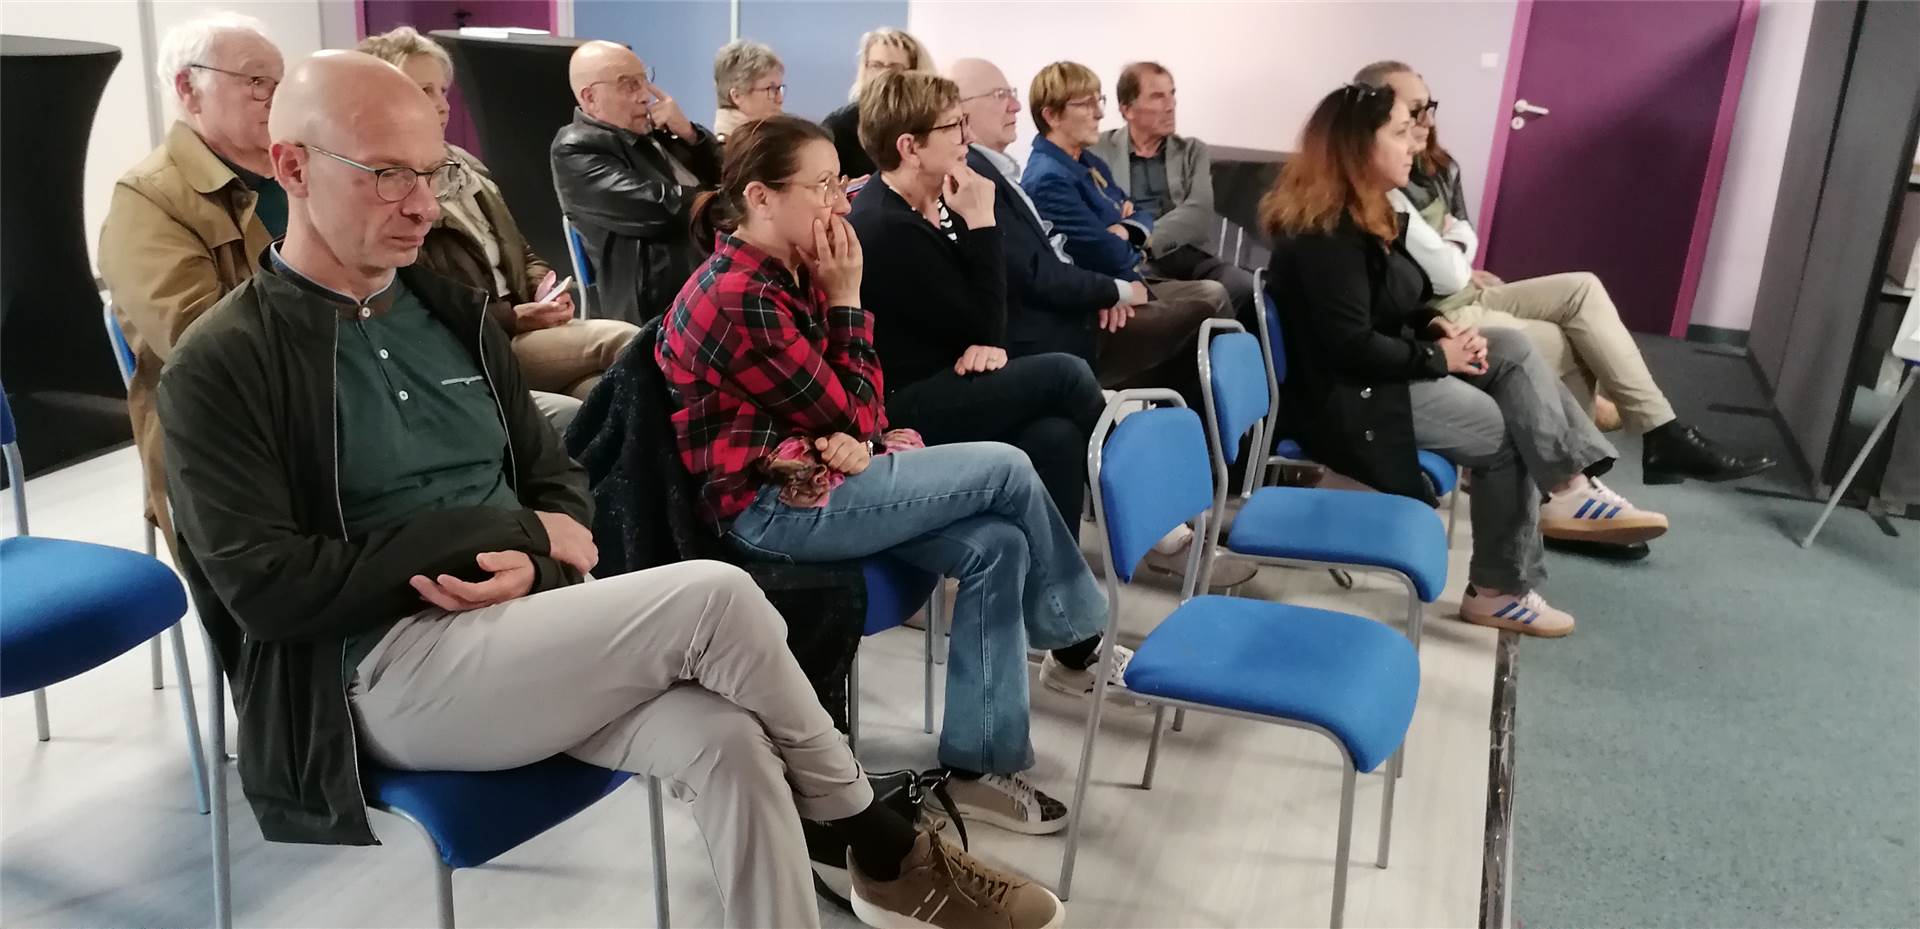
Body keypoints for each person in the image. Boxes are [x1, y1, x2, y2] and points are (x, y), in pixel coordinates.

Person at [158, 51, 1058, 929]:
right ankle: (878, 838)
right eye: (388, 175)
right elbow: (269, 592)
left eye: (431, 173)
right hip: (379, 672)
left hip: (528, 630)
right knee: (714, 596)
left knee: (731, 743)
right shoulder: (223, 363)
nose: (424, 205)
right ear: (292, 167)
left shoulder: (448, 314)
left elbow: (559, 483)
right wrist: (510, 534)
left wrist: (538, 555)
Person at [657, 114, 1122, 839]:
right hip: (772, 508)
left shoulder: (792, 266)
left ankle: (977, 763)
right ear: (760, 197)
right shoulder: (737, 296)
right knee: (1009, 466)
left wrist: (851, 426)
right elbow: (855, 408)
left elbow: (862, 414)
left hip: (824, 475)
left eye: (838, 184)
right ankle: (1073, 631)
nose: (838, 204)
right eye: (821, 187)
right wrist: (848, 302)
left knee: (999, 543)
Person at [1263, 83, 1674, 638]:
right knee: (1506, 437)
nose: (1415, 144)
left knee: (1512, 347)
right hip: (1351, 399)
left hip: (1377, 377)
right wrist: (1438, 355)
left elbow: (1388, 307)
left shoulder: (1368, 213)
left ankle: (1570, 487)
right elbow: (1350, 345)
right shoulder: (1327, 232)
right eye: (1400, 133)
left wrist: (1435, 325)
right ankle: (1498, 591)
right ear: (1359, 145)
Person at [1354, 60, 1775, 487]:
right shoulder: (1381, 186)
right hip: (1438, 313)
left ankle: (1658, 433)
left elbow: (1460, 239)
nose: (1425, 122)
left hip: (1464, 291)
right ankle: (1574, 482)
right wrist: (1456, 250)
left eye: (1429, 107)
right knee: (1569, 341)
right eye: (1413, 112)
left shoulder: (1438, 167)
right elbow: (1445, 268)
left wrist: (1457, 251)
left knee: (1583, 289)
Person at [946, 56, 1257, 588]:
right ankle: (1171, 521)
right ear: (961, 114)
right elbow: (1043, 271)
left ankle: (1182, 506)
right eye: (1001, 95)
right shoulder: (981, 178)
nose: (1015, 105)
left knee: (1194, 332)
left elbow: (1119, 226)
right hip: (1044, 332)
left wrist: (1115, 265)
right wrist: (1110, 289)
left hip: (1067, 311)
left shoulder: (1014, 170)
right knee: (1199, 312)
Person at [360, 27, 637, 403]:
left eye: (443, 90)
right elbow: (428, 307)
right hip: (478, 342)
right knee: (627, 339)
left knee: (601, 395)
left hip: (524, 325)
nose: (442, 105)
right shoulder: (392, 191)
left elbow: (520, 249)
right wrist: (515, 316)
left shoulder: (466, 166)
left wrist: (545, 293)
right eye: (425, 91)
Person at [97, 13, 283, 551]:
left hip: (344, 404)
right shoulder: (148, 199)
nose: (275, 98)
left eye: (280, 82)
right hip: (226, 441)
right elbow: (201, 345)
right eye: (256, 81)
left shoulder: (302, 173)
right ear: (189, 87)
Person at [1021, 60, 1235, 407]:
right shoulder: (1049, 178)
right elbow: (1108, 252)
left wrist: (1124, 229)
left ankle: (1210, 420)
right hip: (1099, 308)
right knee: (1206, 310)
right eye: (1086, 104)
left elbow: (1140, 215)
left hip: (1129, 282)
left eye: (1098, 101)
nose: (1098, 113)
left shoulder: (1085, 162)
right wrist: (1119, 280)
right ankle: (1207, 422)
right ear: (1052, 115)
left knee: (1216, 296)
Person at [552, 40, 722, 325]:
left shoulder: (654, 131)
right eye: (629, 85)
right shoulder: (576, 148)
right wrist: (728, 204)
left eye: (645, 81)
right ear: (590, 98)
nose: (645, 96)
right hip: (657, 303)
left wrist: (690, 134)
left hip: (705, 274)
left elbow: (729, 173)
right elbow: (660, 207)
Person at [1092, 61, 1256, 323]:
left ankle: (1220, 344)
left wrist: (1141, 236)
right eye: (1158, 96)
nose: (1171, 105)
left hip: (1190, 257)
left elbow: (1199, 213)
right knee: (1203, 296)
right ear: (1127, 109)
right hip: (1134, 264)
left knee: (1242, 285)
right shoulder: (1098, 150)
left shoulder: (1192, 151)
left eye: (1172, 94)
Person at [820, 27, 933, 180]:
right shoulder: (840, 126)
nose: (883, 75)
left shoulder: (930, 123)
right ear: (865, 68)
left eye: (894, 67)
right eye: (876, 65)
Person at [711, 39, 785, 141]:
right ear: (737, 96)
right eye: (771, 89)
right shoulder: (727, 149)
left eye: (779, 89)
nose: (780, 99)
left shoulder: (773, 139)